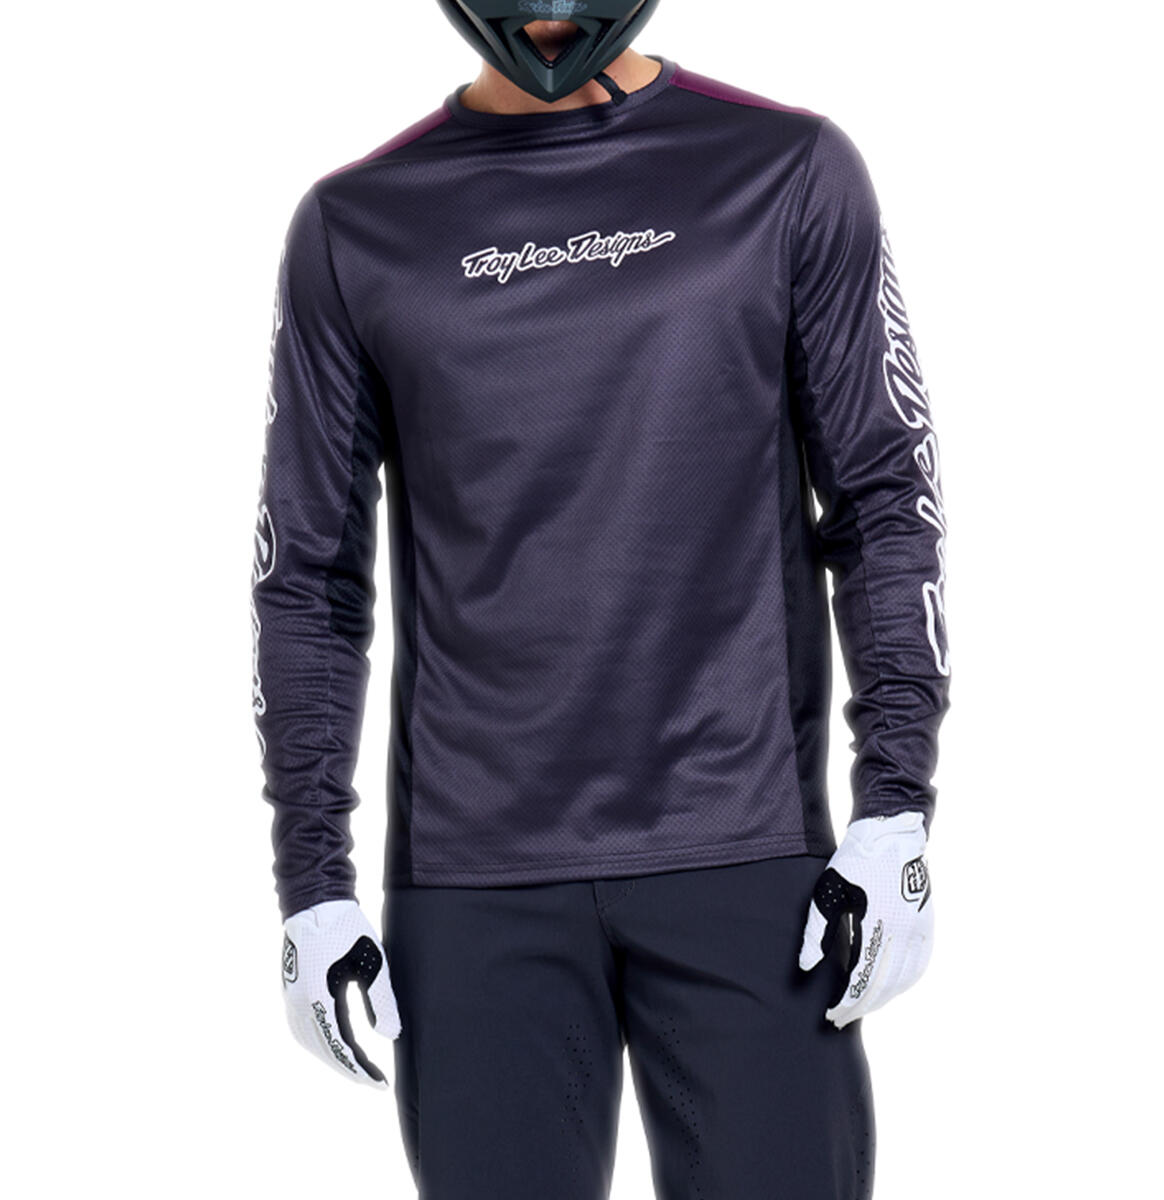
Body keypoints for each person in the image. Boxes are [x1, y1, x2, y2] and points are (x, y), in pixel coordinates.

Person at [249, 3, 950, 1197]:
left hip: (743, 850)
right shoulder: (358, 226)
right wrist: (311, 879)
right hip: (475, 883)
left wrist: (897, 806)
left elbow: (884, 495)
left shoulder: (782, 170)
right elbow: (307, 575)